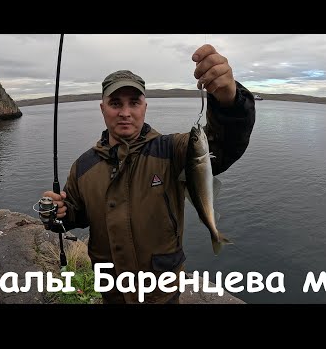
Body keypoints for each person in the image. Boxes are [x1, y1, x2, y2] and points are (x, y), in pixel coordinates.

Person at [42, 44, 256, 304]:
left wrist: (228, 101)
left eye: (134, 102)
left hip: (162, 293)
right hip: (112, 292)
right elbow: (77, 214)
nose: (125, 112)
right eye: (115, 103)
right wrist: (58, 214)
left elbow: (224, 144)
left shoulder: (173, 150)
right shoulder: (83, 166)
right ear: (102, 108)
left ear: (145, 106)